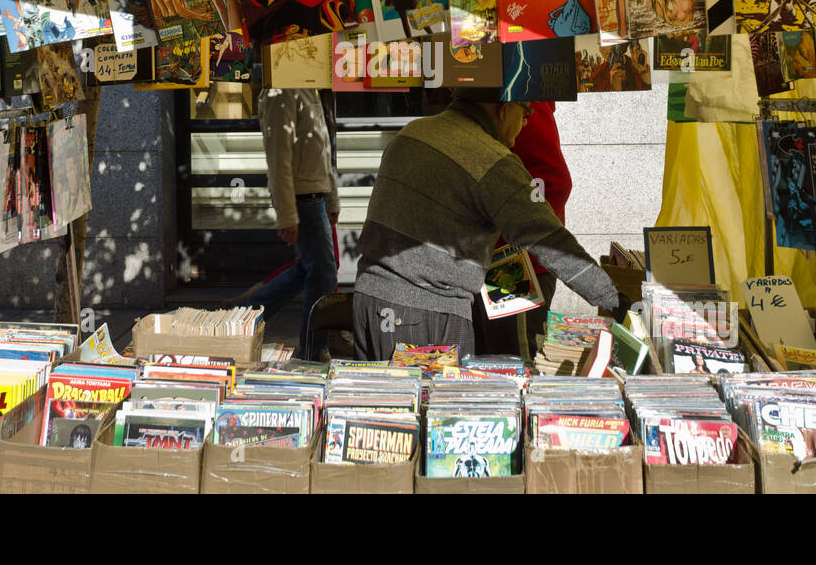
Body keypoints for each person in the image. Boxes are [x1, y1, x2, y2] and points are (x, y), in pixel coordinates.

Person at [353, 92, 625, 360]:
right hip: (425, 315)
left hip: (368, 301)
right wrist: (615, 300)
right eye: (525, 112)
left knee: (384, 403)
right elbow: (552, 242)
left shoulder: (412, 132)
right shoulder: (491, 159)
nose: (527, 122)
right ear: (504, 109)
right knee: (438, 401)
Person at [470, 102, 571, 361]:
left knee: (515, 363)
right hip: (503, 260)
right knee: (495, 361)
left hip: (516, 265)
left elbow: (554, 182)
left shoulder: (525, 105)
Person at [246, 87, 339, 361]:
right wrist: (287, 215)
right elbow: (278, 157)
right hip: (301, 199)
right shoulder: (281, 92)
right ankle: (313, 350)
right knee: (323, 274)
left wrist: (331, 199)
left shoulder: (309, 89)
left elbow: (322, 151)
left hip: (314, 195)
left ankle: (243, 317)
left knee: (307, 270)